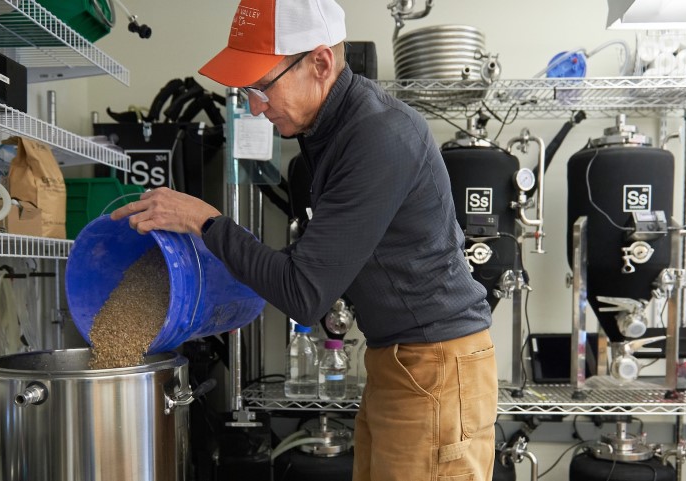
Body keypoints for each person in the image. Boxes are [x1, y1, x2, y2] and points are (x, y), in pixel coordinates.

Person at [112, 0, 498, 479]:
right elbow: (301, 268)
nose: (255, 104)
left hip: (435, 367)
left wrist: (206, 222)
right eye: (246, 89)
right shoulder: (327, 138)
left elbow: (304, 293)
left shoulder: (378, 137)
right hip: (397, 361)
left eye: (262, 85)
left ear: (320, 63)